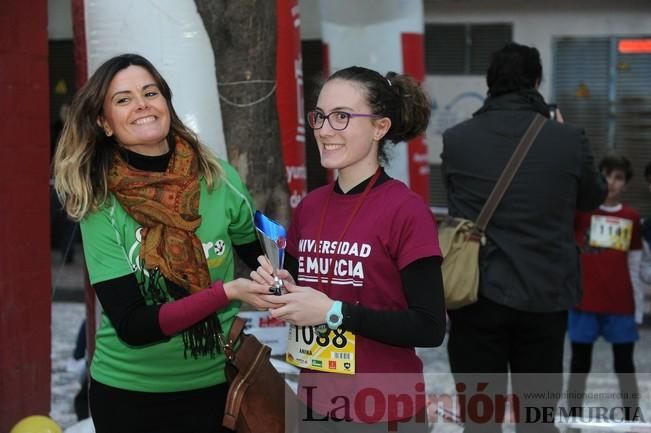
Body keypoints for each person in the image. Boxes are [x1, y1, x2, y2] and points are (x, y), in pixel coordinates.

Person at [52, 53, 274, 433]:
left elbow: (260, 256)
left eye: (150, 92)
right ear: (105, 123)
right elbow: (133, 325)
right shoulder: (100, 201)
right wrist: (225, 293)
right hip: (129, 396)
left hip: (215, 388)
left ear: (166, 104)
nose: (141, 104)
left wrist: (277, 272)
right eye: (123, 99)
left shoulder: (219, 178)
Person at [251, 66, 447, 432]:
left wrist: (334, 312)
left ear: (379, 127)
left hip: (385, 409)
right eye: (320, 116)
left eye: (342, 117)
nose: (325, 130)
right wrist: (276, 285)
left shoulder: (406, 210)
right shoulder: (310, 206)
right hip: (314, 401)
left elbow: (430, 326)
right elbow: (296, 288)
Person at [441, 42, 607, 433]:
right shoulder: (568, 140)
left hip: (475, 295)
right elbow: (593, 196)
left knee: (480, 421)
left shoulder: (457, 140)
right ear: (537, 82)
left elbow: (457, 207)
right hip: (545, 296)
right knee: (537, 421)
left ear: (489, 83)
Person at [567, 155, 643, 421]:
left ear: (626, 183)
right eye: (607, 175)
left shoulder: (632, 218)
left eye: (619, 177)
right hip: (584, 303)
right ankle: (573, 418)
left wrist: (638, 307)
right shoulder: (581, 214)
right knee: (579, 365)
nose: (612, 182)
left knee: (625, 365)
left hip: (620, 305)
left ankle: (633, 418)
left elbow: (635, 265)